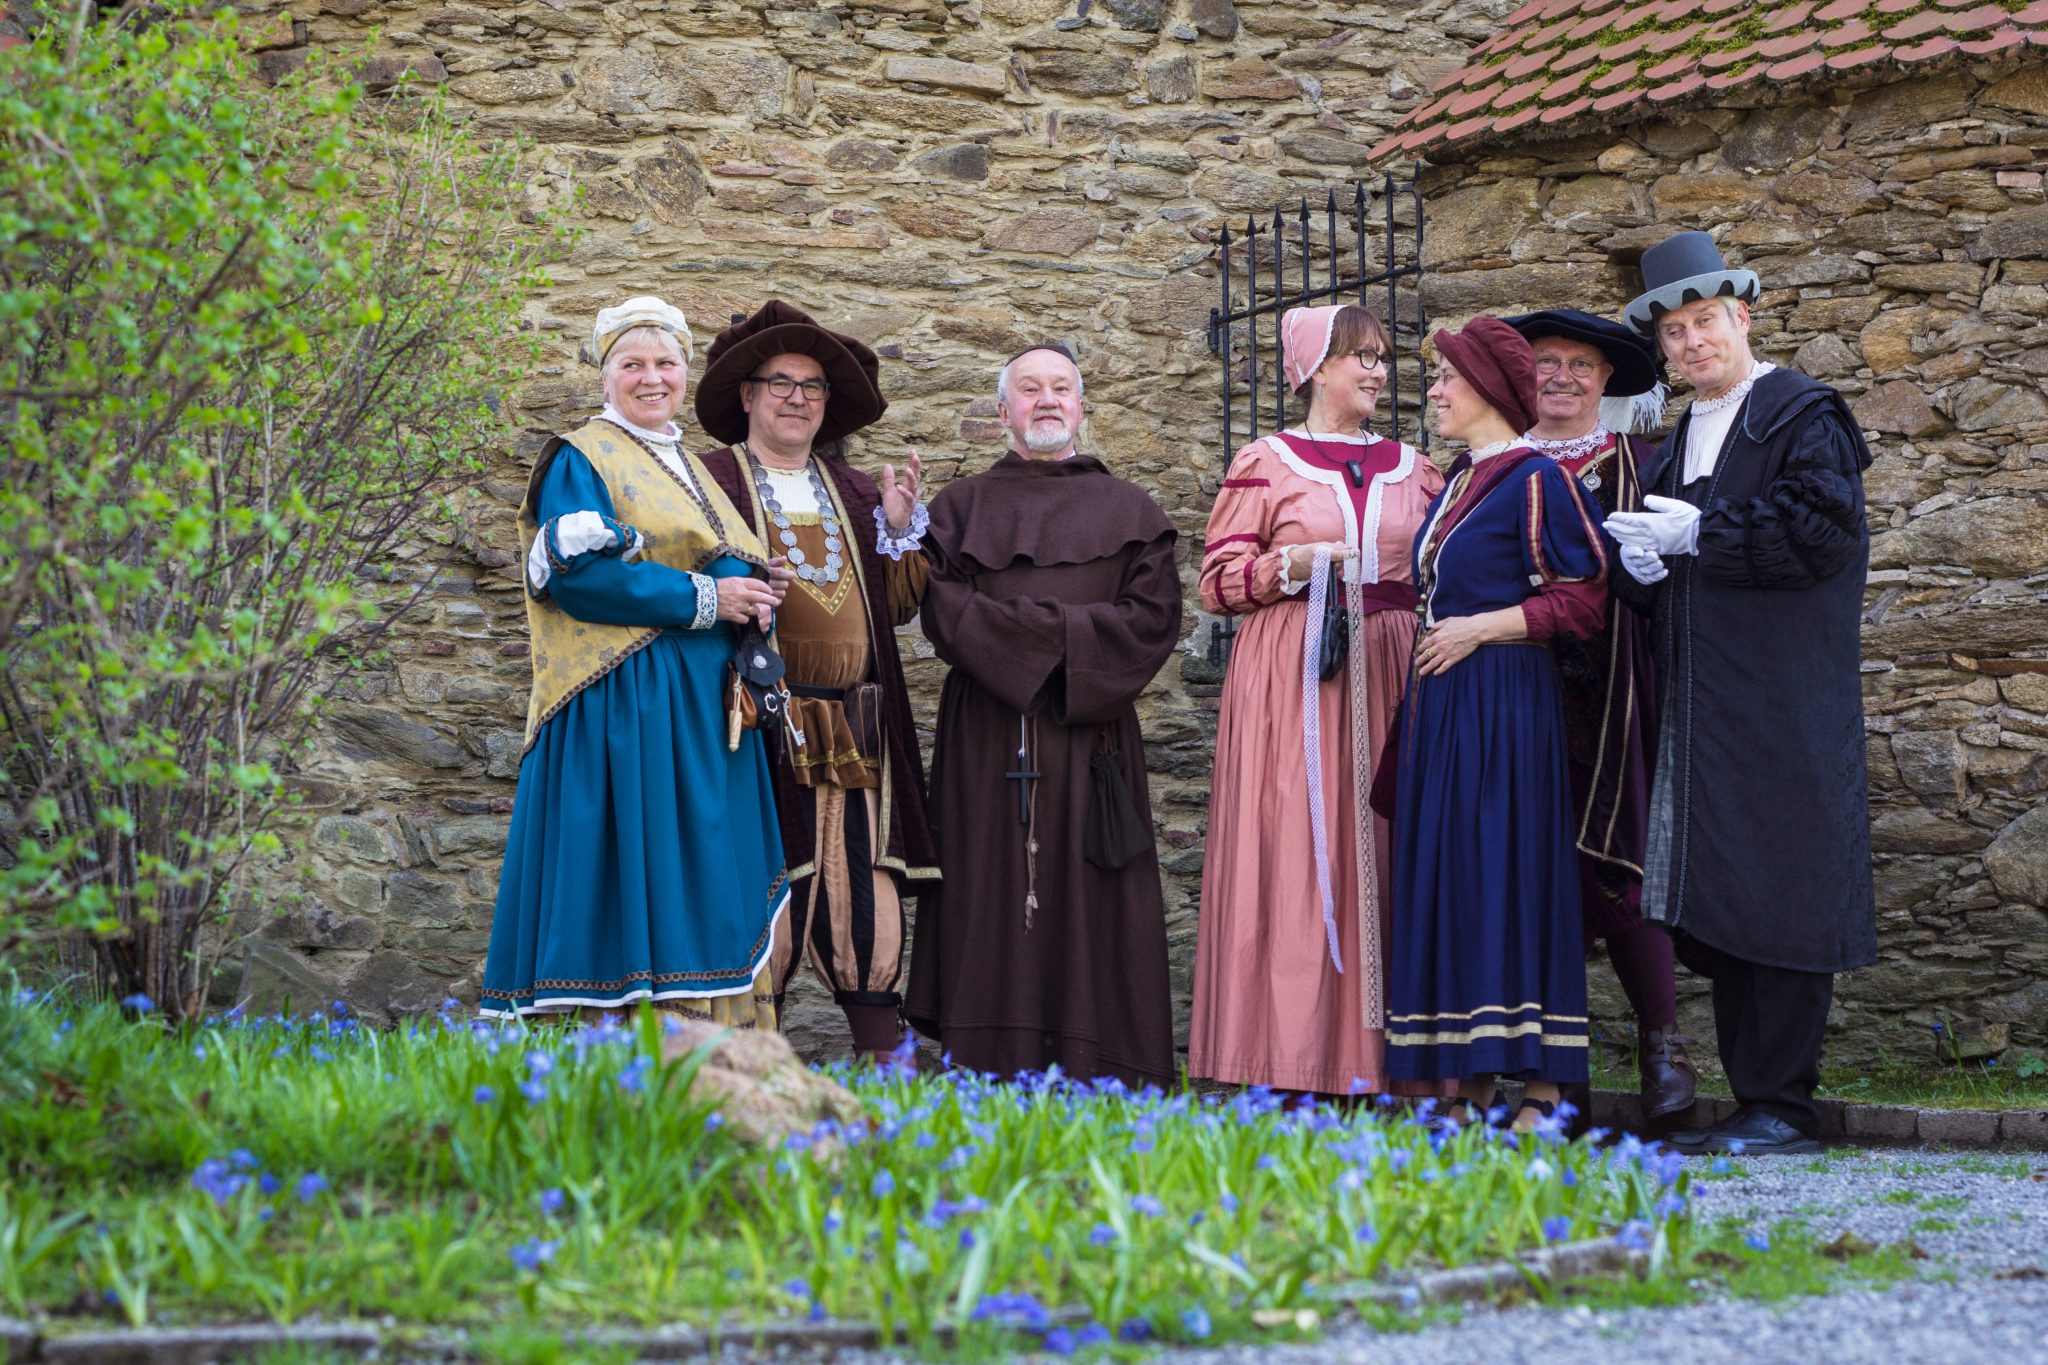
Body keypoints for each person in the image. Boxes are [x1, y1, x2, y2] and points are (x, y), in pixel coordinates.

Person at [1607, 232, 1876, 1155]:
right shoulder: (1679, 436)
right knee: (1723, 891)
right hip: (1706, 708)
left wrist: (1699, 536)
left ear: (1743, 318)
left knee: (1784, 886)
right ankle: (1754, 1098)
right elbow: (1670, 579)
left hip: (1786, 699)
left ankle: (1784, 1107)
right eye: (1674, 332)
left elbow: (1819, 532)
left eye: (1705, 322)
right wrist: (1640, 567)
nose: (1690, 343)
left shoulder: (1803, 413)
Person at [481, 297, 793, 1024]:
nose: (651, 379)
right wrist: (711, 596)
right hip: (625, 706)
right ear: (605, 376)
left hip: (696, 711)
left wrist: (750, 588)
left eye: (665, 364)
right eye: (633, 365)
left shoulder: (686, 460)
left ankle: (708, 1051)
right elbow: (580, 578)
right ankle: (619, 1046)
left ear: (685, 372)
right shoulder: (579, 455)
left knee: (703, 874)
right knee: (628, 872)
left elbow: (700, 557)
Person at [903, 344, 1183, 1088]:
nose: (1047, 399)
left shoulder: (1133, 512)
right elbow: (944, 609)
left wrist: (1039, 639)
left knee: (1093, 904)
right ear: (1004, 411)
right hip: (985, 738)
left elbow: (1153, 619)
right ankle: (987, 1061)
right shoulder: (958, 509)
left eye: (1061, 387)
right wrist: (1066, 633)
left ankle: (1100, 1066)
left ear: (1083, 408)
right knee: (986, 891)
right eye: (1030, 389)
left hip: (1093, 737)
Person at [1189, 304, 1446, 1100]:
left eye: (1380, 357)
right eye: (1356, 357)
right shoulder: (1265, 461)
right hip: (1293, 677)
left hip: (1396, 667)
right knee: (1299, 850)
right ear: (1312, 369)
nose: (1375, 371)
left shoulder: (1418, 468)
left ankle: (1399, 1065)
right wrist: (1288, 566)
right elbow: (1216, 582)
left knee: (1388, 843)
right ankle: (1293, 1062)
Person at [693, 301, 941, 1061]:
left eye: (812, 387)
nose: (798, 398)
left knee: (864, 888)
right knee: (762, 882)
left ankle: (884, 1069)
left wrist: (898, 532)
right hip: (753, 721)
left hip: (857, 727)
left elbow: (899, 608)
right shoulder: (708, 484)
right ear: (746, 396)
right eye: (781, 383)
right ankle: (741, 1071)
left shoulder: (862, 492)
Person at [1382, 317, 1608, 1131]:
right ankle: (1473, 1083)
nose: (1434, 391)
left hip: (1506, 706)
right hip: (1448, 710)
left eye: (1447, 379)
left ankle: (1543, 1090)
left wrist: (1484, 627)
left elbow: (1584, 594)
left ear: (1487, 392)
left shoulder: (1535, 480)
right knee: (1458, 876)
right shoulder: (1459, 482)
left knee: (1510, 871)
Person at [1505, 309, 1697, 1124]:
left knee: (1621, 864)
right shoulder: (1490, 466)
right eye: (1545, 362)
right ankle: (1558, 1078)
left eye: (1580, 365)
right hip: (1520, 685)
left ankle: (1664, 1051)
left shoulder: (1644, 463)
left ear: (1606, 379)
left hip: (1619, 686)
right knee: (1536, 874)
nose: (1562, 376)